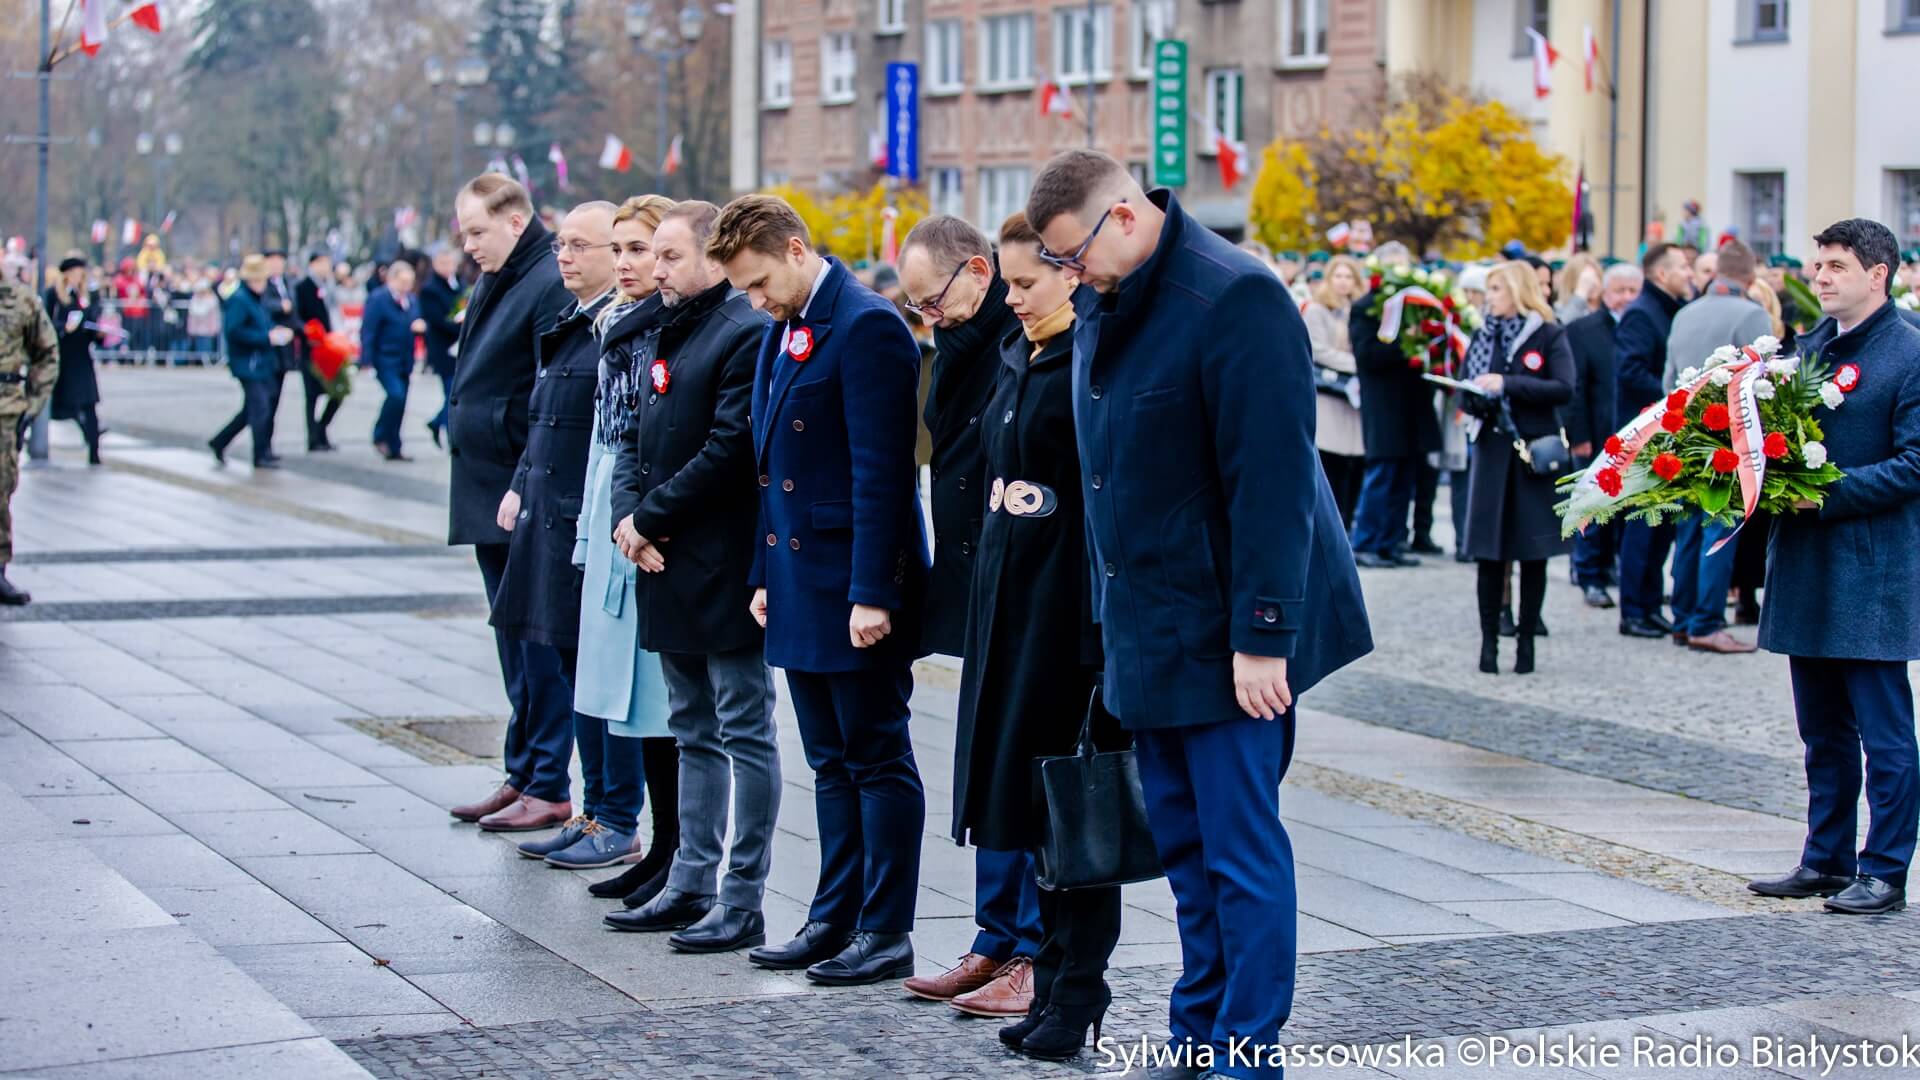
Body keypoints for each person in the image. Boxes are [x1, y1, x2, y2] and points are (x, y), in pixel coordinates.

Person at [1027, 149, 1372, 1078]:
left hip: (1229, 636)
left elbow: (1274, 484)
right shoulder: (1105, 298)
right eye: (1058, 263)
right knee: (1183, 849)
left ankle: (1246, 1053)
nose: (1069, 276)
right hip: (1147, 626)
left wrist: (1263, 638)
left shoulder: (1237, 295)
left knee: (1237, 850)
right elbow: (1106, 477)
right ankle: (1198, 1033)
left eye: (1072, 255)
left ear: (1123, 216)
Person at [709, 194, 932, 987]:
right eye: (743, 288)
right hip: (800, 582)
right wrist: (764, 574)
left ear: (797, 251)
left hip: (853, 585)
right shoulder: (785, 327)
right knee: (831, 761)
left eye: (759, 281)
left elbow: (884, 474)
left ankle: (886, 929)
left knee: (877, 758)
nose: (753, 300)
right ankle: (833, 917)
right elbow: (770, 469)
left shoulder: (868, 326)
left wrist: (875, 591)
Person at [951, 210, 1117, 1059]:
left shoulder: (1090, 358)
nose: (1011, 298)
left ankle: (1074, 988)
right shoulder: (1020, 353)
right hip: (1008, 609)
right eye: (1008, 281)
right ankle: (1046, 978)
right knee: (1022, 803)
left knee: (1068, 813)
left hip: (1065, 617)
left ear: (1072, 275)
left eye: (1027, 282)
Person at [601, 200, 781, 955]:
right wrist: (628, 518)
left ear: (714, 257)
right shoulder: (666, 326)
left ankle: (741, 896)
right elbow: (633, 439)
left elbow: (729, 448)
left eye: (670, 256)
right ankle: (689, 881)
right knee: (690, 727)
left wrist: (650, 518)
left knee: (743, 727)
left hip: (720, 560)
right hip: (664, 558)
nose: (656, 271)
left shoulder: (741, 330)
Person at [1749, 218, 1920, 917]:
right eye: (1818, 265)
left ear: (1878, 274)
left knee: (1885, 734)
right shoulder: (1806, 348)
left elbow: (1915, 463)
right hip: (1808, 561)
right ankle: (1826, 859)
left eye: (1836, 266)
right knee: (1820, 731)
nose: (1819, 277)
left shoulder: (1910, 352)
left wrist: (1822, 493)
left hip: (1872, 568)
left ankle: (1885, 870)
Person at [896, 215, 1040, 1016]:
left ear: (978, 273)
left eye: (934, 301)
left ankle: (1032, 947)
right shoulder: (958, 342)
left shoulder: (1021, 336)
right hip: (977, 574)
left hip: (1024, 575)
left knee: (1025, 766)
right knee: (987, 763)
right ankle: (994, 936)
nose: (928, 318)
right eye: (916, 307)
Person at [486, 201, 636, 870]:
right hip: (555, 522)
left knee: (598, 675)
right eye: (561, 245)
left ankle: (615, 814)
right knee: (574, 670)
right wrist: (521, 482)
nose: (565, 257)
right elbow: (542, 417)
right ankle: (593, 809)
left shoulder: (616, 329)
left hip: (591, 524)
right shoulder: (575, 322)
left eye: (581, 245)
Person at [444, 174, 578, 833]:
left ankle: (548, 781)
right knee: (511, 644)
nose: (468, 245)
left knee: (536, 645)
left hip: (517, 487)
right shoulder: (500, 274)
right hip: (487, 484)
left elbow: (549, 391)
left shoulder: (547, 280)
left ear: (516, 220)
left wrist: (524, 480)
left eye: (477, 231)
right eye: (464, 232)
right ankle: (522, 772)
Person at [571, 195, 682, 908]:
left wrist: (641, 516)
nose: (627, 263)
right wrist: (594, 529)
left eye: (640, 249)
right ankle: (650, 839)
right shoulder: (615, 324)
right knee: (629, 699)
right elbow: (606, 438)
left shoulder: (663, 328)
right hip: (614, 502)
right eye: (620, 250)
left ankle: (668, 848)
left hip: (649, 516)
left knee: (659, 700)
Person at [1457, 262, 1574, 675]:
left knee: (1532, 553)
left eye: (1496, 289)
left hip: (1532, 454)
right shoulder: (1482, 334)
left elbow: (1564, 387)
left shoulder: (1548, 333)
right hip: (1491, 451)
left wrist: (1508, 385)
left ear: (1517, 290)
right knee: (1488, 553)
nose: (1489, 297)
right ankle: (1488, 643)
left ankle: (1526, 643)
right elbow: (1465, 391)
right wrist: (1476, 394)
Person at [1662, 239, 1771, 655]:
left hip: (1683, 435)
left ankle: (1683, 620)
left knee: (1688, 533)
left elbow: (1668, 379)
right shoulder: (1752, 313)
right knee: (1719, 529)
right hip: (1729, 439)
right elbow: (1763, 385)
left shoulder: (1684, 313)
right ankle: (1707, 623)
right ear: (1750, 275)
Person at [1615, 242, 1692, 638]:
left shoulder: (1671, 309)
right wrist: (1674, 396)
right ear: (1662, 274)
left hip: (1666, 432)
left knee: (1661, 527)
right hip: (1645, 435)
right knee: (1643, 526)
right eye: (1682, 267)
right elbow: (1630, 371)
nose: (1689, 273)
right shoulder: (1642, 314)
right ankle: (1633, 610)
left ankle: (1648, 605)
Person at [1350, 242, 1440, 568]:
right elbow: (1367, 355)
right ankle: (1366, 542)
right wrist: (1407, 344)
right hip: (1384, 405)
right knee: (1383, 475)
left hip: (1412, 405)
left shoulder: (1416, 307)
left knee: (1405, 476)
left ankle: (1391, 541)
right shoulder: (1367, 308)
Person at [1564, 262, 1642, 608]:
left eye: (1632, 291)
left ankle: (1613, 569)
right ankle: (1589, 574)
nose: (1626, 297)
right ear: (1605, 293)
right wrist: (1578, 434)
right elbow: (1575, 386)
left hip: (1632, 433)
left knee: (1626, 510)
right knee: (1593, 507)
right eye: (1619, 290)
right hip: (1596, 432)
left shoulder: (1641, 326)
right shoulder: (1583, 330)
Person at [0, 276, 57, 605]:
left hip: (5, 411)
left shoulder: (20, 299)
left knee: (0, 489)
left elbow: (47, 352)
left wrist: (32, 405)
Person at [209, 256, 293, 469]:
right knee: (260, 407)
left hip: (261, 361)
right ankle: (259, 454)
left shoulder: (256, 298)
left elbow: (263, 322)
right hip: (248, 362)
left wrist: (274, 332)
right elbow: (234, 331)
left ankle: (220, 442)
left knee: (252, 410)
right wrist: (266, 337)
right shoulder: (240, 299)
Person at [1303, 254, 1367, 529]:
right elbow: (1317, 349)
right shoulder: (1317, 309)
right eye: (1338, 276)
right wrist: (1355, 363)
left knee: (1354, 463)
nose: (1343, 282)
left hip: (1354, 397)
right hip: (1330, 391)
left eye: (1348, 276)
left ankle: (1348, 522)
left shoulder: (1358, 309)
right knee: (1331, 461)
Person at [359, 258, 423, 462]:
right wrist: (366, 360)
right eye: (403, 282)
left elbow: (416, 318)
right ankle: (380, 434)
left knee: (402, 402)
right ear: (392, 279)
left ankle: (394, 445)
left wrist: (419, 325)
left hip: (405, 358)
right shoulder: (378, 299)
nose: (406, 287)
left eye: (409, 283)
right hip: (385, 357)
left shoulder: (411, 300)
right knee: (395, 395)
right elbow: (369, 330)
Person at [44, 256, 104, 465]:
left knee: (89, 404)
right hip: (64, 356)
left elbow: (93, 320)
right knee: (66, 405)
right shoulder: (54, 294)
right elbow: (46, 324)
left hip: (81, 356)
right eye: (76, 274)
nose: (79, 278)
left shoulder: (87, 296)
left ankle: (94, 449)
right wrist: (64, 328)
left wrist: (99, 333)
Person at [294, 253, 342, 452]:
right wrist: (308, 331)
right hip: (312, 347)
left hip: (330, 346)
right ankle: (313, 437)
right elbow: (297, 316)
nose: (326, 268)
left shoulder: (329, 287)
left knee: (338, 391)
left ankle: (321, 429)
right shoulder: (302, 287)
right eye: (323, 263)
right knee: (312, 394)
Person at [419, 247, 463, 449]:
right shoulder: (430, 289)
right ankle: (447, 430)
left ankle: (437, 422)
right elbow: (436, 320)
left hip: (460, 347)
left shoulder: (459, 284)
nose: (447, 267)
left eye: (450, 263)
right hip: (443, 348)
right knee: (452, 392)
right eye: (442, 263)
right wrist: (459, 325)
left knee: (457, 392)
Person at [261, 250, 300, 447]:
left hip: (285, 346)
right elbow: (263, 306)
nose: (277, 265)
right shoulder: (262, 284)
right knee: (265, 399)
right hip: (269, 346)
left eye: (279, 261)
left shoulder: (287, 283)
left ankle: (267, 443)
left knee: (275, 398)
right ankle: (262, 444)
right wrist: (279, 306)